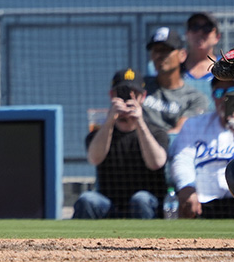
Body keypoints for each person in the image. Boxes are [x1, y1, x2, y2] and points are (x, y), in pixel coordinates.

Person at [73, 68, 169, 219]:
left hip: (146, 205)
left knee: (140, 199)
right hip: (109, 205)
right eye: (122, 93)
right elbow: (94, 159)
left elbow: (156, 163)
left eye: (133, 94)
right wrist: (110, 120)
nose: (127, 99)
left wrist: (139, 122)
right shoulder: (100, 133)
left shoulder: (156, 132)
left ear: (142, 97)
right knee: (87, 200)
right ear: (112, 95)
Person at [168, 64, 234, 218]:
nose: (224, 98)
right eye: (219, 92)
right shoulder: (195, 124)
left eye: (230, 91)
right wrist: (187, 187)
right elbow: (182, 159)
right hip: (205, 205)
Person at [142, 26, 212, 133]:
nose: (159, 55)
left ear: (182, 55)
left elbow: (179, 132)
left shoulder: (195, 98)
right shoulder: (140, 87)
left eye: (166, 50)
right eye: (156, 50)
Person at [183, 12, 221, 99]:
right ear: (187, 34)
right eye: (195, 27)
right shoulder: (175, 68)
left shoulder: (228, 69)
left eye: (207, 28)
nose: (200, 32)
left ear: (217, 37)